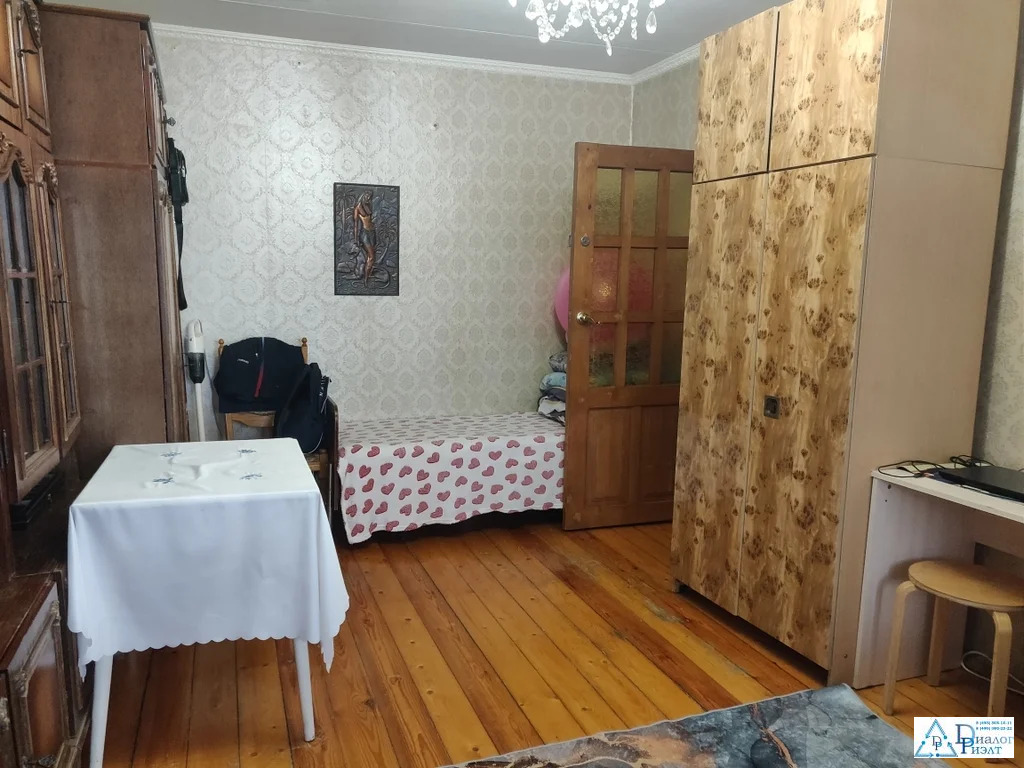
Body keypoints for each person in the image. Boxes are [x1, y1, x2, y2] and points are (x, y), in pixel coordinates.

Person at [352, 190, 377, 286]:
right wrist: (356, 239)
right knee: (371, 257)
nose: (368, 198)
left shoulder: (368, 205)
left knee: (371, 257)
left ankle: (368, 276)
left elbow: (370, 220)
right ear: (363, 195)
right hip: (365, 233)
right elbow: (356, 225)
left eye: (370, 196)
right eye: (367, 196)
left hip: (372, 232)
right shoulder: (358, 207)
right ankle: (366, 280)